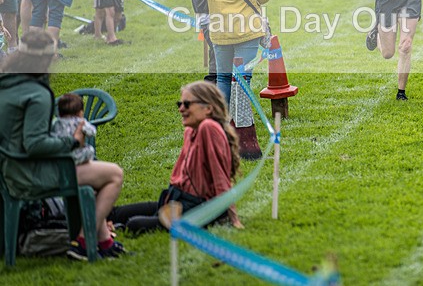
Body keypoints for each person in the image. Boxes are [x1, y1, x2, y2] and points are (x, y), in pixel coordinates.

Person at [0, 30, 125, 260]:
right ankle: (83, 241)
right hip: (30, 174)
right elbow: (35, 144)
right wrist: (72, 141)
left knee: (93, 176)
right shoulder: (37, 93)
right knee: (114, 174)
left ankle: (104, 242)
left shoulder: (6, 85)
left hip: (8, 170)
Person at [107, 81, 242, 234]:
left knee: (135, 224)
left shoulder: (208, 128)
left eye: (187, 104)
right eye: (180, 104)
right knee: (116, 213)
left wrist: (232, 217)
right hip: (177, 201)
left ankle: (116, 229)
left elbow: (220, 177)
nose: (181, 109)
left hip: (199, 209)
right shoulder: (191, 131)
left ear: (208, 108)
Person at [53, 93, 97, 165]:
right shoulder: (79, 121)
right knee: (90, 149)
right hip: (76, 156)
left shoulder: (56, 122)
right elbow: (92, 132)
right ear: (80, 113)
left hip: (60, 157)